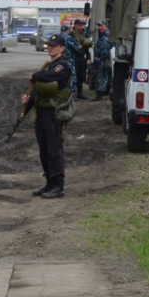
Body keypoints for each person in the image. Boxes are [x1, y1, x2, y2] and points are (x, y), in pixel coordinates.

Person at [22, 33, 72, 199]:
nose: (50, 47)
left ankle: (58, 185)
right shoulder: (47, 66)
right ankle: (49, 182)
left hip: (54, 113)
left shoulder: (62, 66)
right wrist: (27, 101)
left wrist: (35, 76)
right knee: (44, 150)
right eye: (49, 45)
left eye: (54, 45)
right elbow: (38, 88)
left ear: (62, 48)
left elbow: (48, 77)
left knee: (54, 149)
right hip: (42, 112)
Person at [60, 24, 82, 99]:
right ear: (67, 31)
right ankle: (71, 94)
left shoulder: (58, 37)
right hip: (69, 59)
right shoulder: (68, 38)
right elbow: (77, 49)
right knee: (72, 76)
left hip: (59, 60)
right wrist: (79, 47)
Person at [93, 20, 114, 99]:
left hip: (104, 59)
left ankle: (100, 94)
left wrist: (100, 57)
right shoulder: (106, 35)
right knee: (107, 76)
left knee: (102, 76)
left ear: (106, 26)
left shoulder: (105, 36)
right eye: (99, 26)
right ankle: (107, 92)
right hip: (107, 59)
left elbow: (105, 50)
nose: (100, 27)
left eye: (102, 26)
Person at [72, 19, 92, 100]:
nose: (81, 27)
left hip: (81, 57)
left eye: (82, 25)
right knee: (74, 76)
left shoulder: (84, 35)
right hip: (74, 57)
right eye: (80, 25)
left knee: (81, 76)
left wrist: (88, 58)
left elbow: (86, 48)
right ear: (76, 25)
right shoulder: (72, 34)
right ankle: (73, 94)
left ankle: (79, 93)